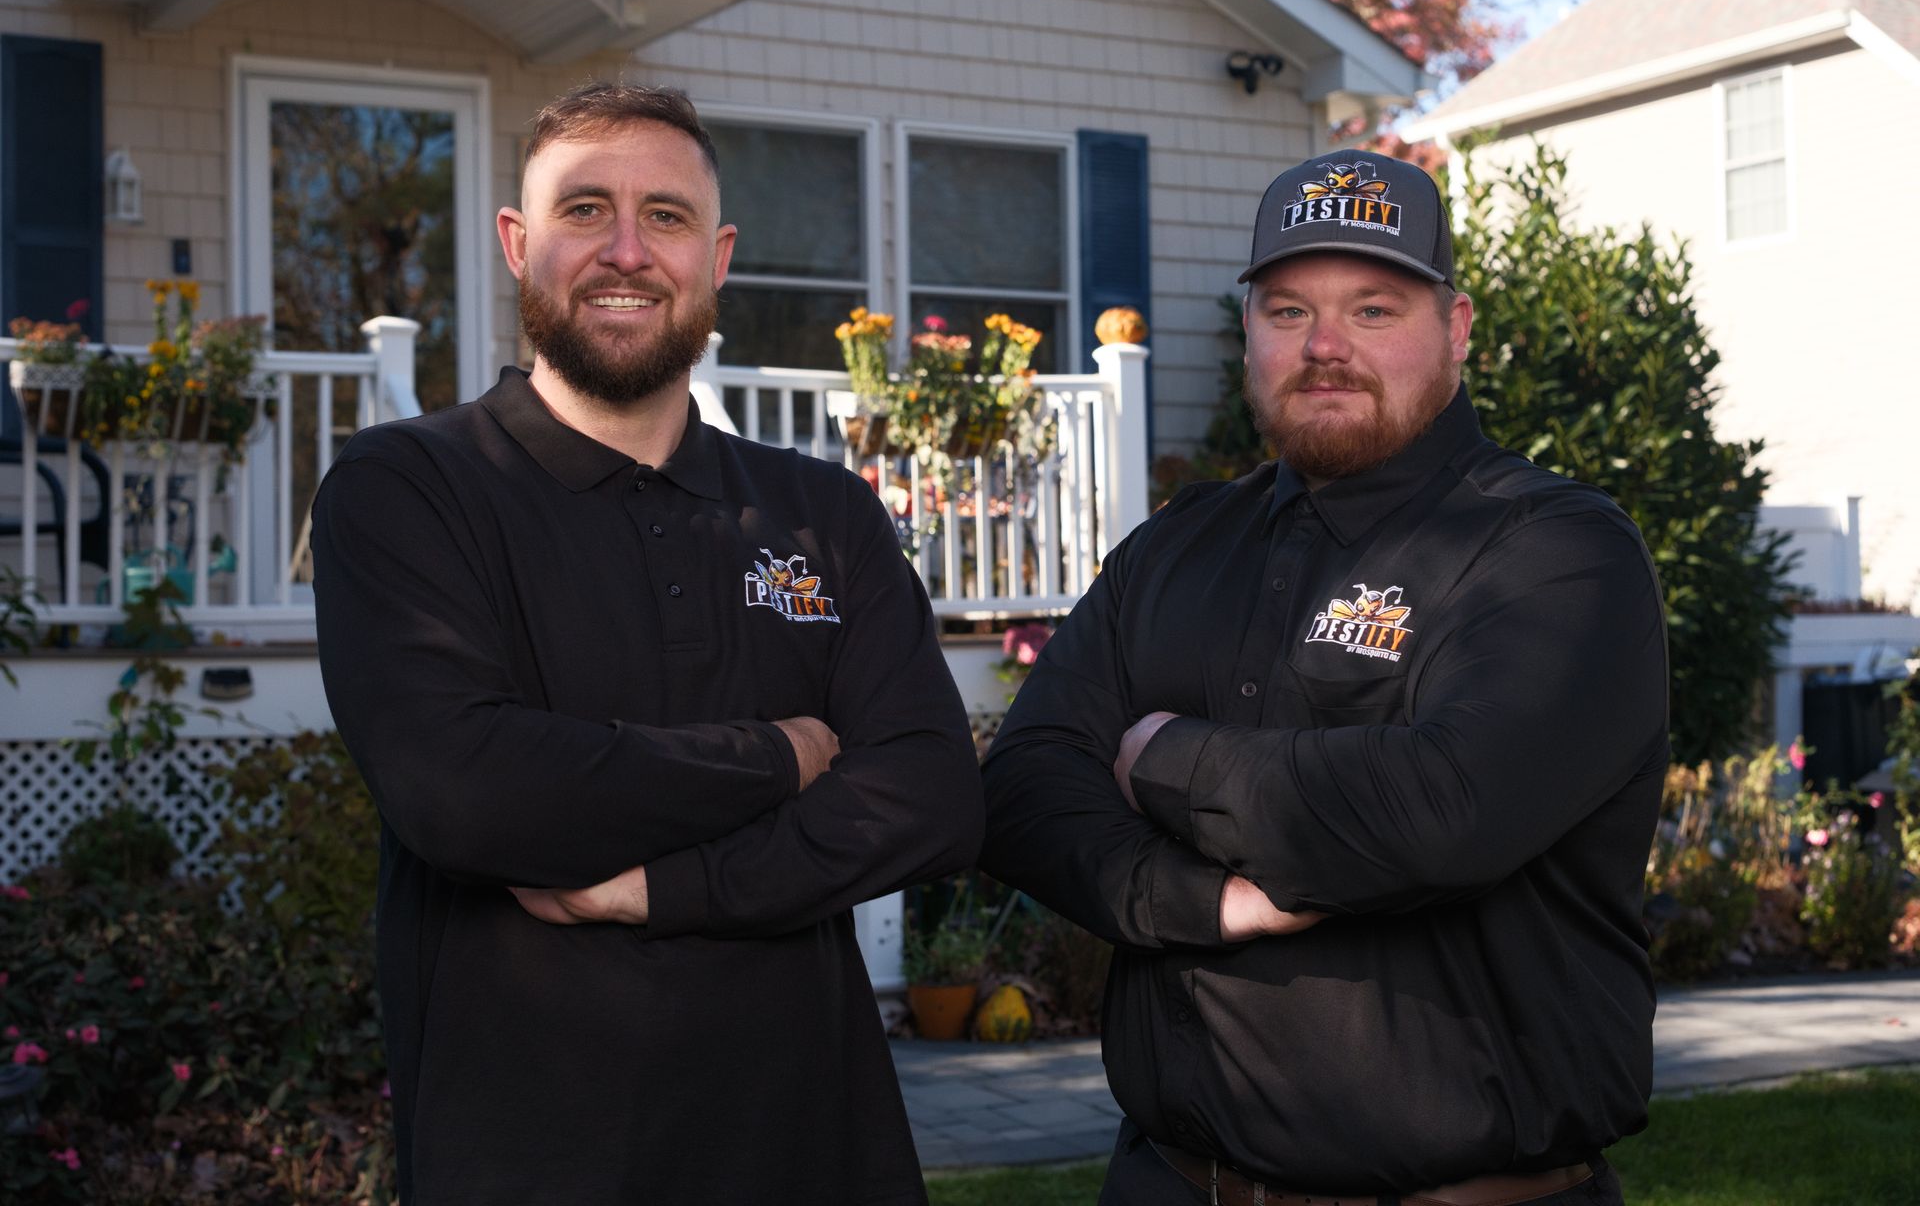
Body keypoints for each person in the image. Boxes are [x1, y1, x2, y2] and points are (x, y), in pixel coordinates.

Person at [313, 82, 982, 1205]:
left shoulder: (822, 512)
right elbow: (467, 791)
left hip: (817, 1155)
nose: (627, 250)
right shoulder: (409, 489)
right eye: (585, 210)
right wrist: (778, 755)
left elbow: (932, 794)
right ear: (520, 245)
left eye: (665, 217)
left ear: (716, 257)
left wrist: (648, 888)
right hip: (528, 1160)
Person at [980, 148, 1667, 1206]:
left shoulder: (1553, 550)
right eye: (1289, 310)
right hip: (1171, 1181)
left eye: (1374, 309)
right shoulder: (1178, 548)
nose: (1327, 347)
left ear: (1458, 328)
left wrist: (1162, 754)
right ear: (1248, 330)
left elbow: (1446, 805)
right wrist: (1208, 901)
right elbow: (1024, 789)